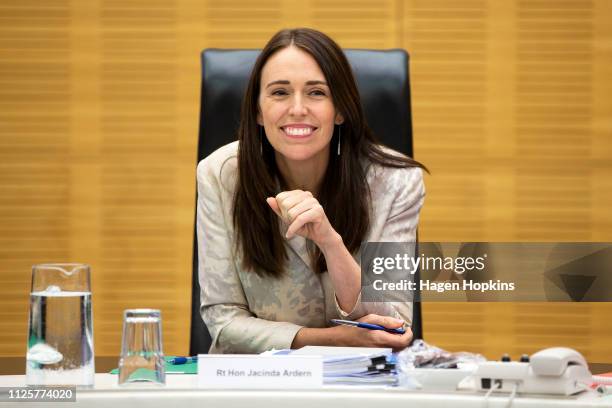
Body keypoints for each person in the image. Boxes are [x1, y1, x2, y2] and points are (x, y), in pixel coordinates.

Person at [196, 27, 426, 354]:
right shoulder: (220, 174)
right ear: (258, 112)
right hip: (254, 383)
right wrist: (334, 340)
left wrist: (331, 243)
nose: (298, 109)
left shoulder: (396, 181)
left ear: (341, 109)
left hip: (360, 389)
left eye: (317, 92)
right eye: (279, 93)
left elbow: (393, 325)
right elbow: (224, 321)